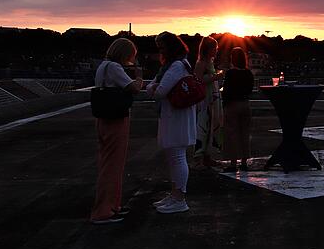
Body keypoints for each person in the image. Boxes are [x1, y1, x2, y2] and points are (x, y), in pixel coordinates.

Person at [90, 38, 143, 224]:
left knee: (109, 162)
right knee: (113, 164)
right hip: (116, 120)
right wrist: (138, 76)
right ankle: (104, 210)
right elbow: (134, 88)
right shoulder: (115, 68)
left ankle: (112, 205)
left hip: (104, 119)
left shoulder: (103, 67)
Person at [147, 32, 197, 214]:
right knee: (174, 156)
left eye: (162, 47)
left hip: (176, 117)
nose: (160, 50)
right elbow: (156, 88)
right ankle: (176, 194)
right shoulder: (177, 64)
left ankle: (179, 198)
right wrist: (153, 88)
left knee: (177, 156)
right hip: (176, 115)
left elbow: (159, 90)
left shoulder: (175, 66)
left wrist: (152, 88)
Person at [222, 47, 255, 172]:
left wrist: (224, 105)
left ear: (232, 59)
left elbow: (226, 91)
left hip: (232, 105)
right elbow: (250, 89)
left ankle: (232, 163)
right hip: (246, 104)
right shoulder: (248, 73)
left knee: (232, 134)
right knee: (245, 133)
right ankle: (244, 162)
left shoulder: (230, 73)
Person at [193, 36, 224, 168]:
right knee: (203, 128)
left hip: (212, 100)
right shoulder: (201, 63)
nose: (216, 50)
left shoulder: (209, 63)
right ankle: (198, 160)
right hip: (205, 101)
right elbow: (198, 80)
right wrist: (216, 76)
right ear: (208, 49)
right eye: (214, 48)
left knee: (212, 127)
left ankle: (207, 157)